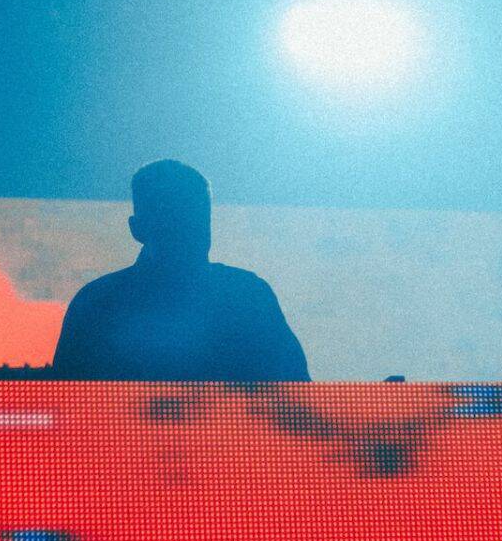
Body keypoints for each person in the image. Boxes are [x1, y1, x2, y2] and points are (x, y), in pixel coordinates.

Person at [52, 159, 309, 381]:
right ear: (137, 229)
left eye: (194, 222)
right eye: (173, 222)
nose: (187, 235)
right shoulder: (248, 295)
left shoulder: (97, 301)